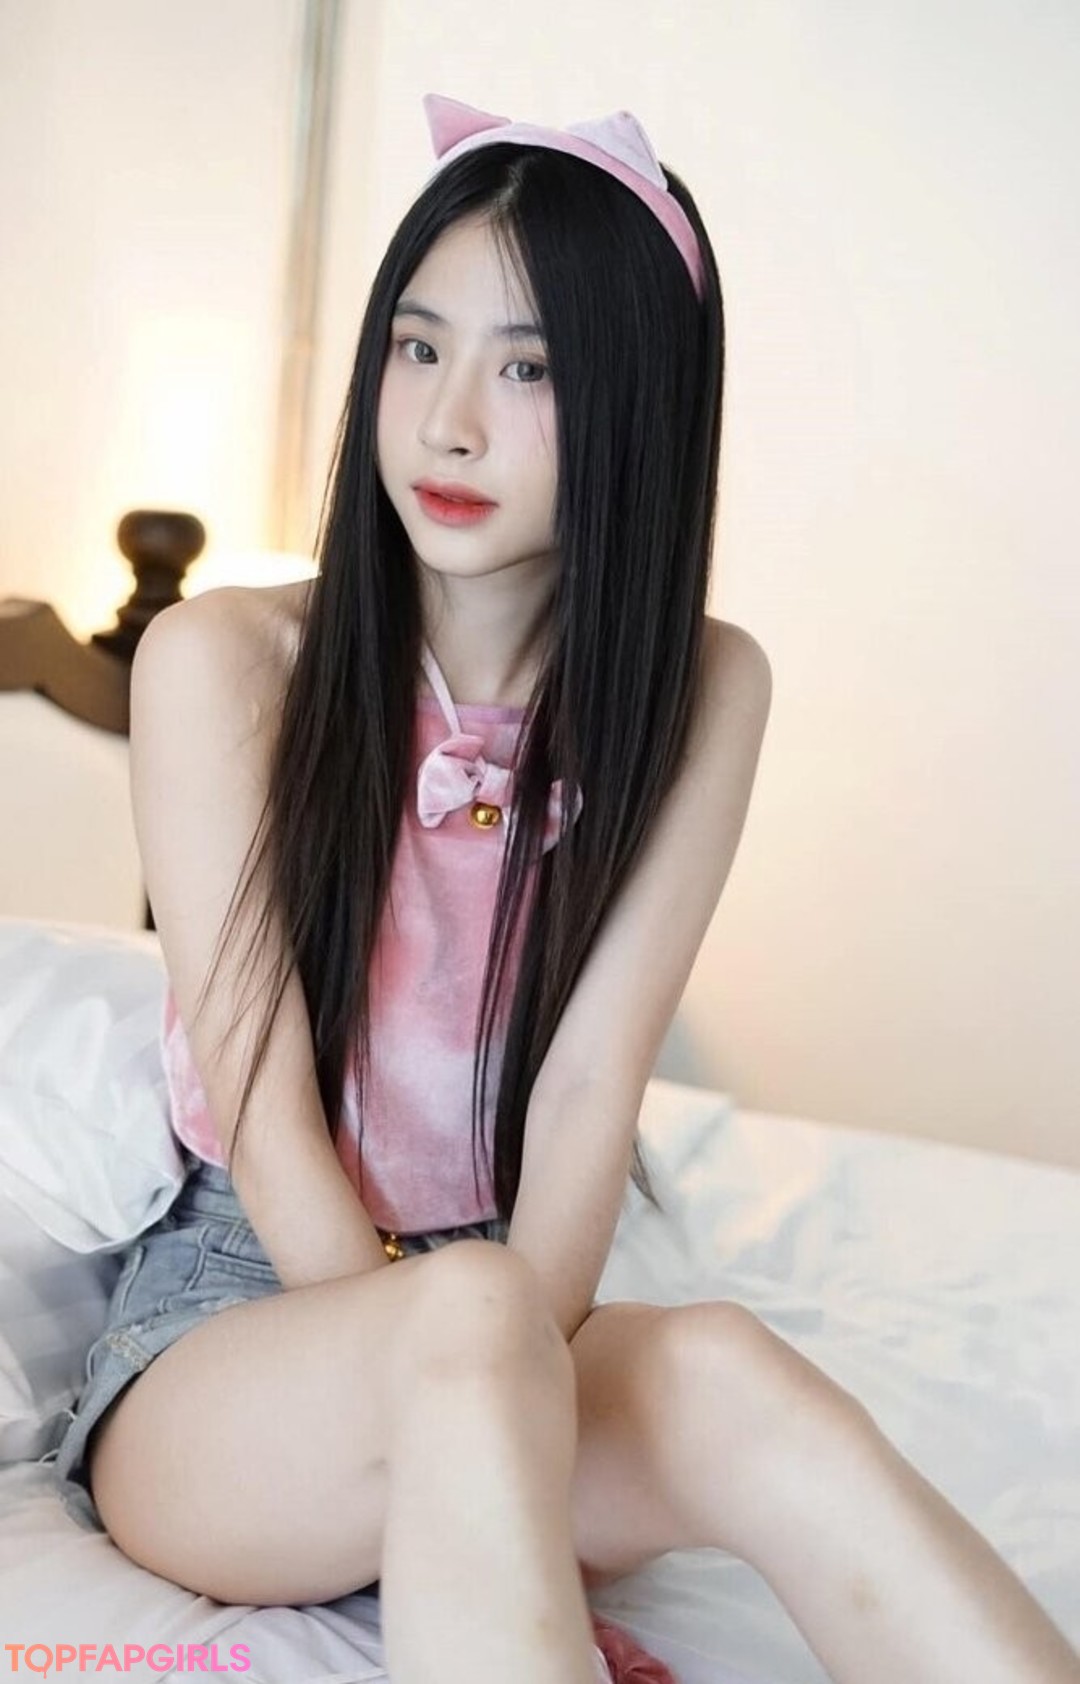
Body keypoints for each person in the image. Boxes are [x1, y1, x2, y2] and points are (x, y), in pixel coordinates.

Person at [49, 92, 1078, 1684]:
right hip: (239, 1341)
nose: (448, 422)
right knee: (466, 1318)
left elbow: (593, 1083)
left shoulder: (704, 691)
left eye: (529, 369)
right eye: (417, 348)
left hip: (520, 1307)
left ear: (637, 403)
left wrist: (507, 1376)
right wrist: (475, 1367)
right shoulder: (225, 661)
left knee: (725, 1364)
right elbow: (260, 1102)